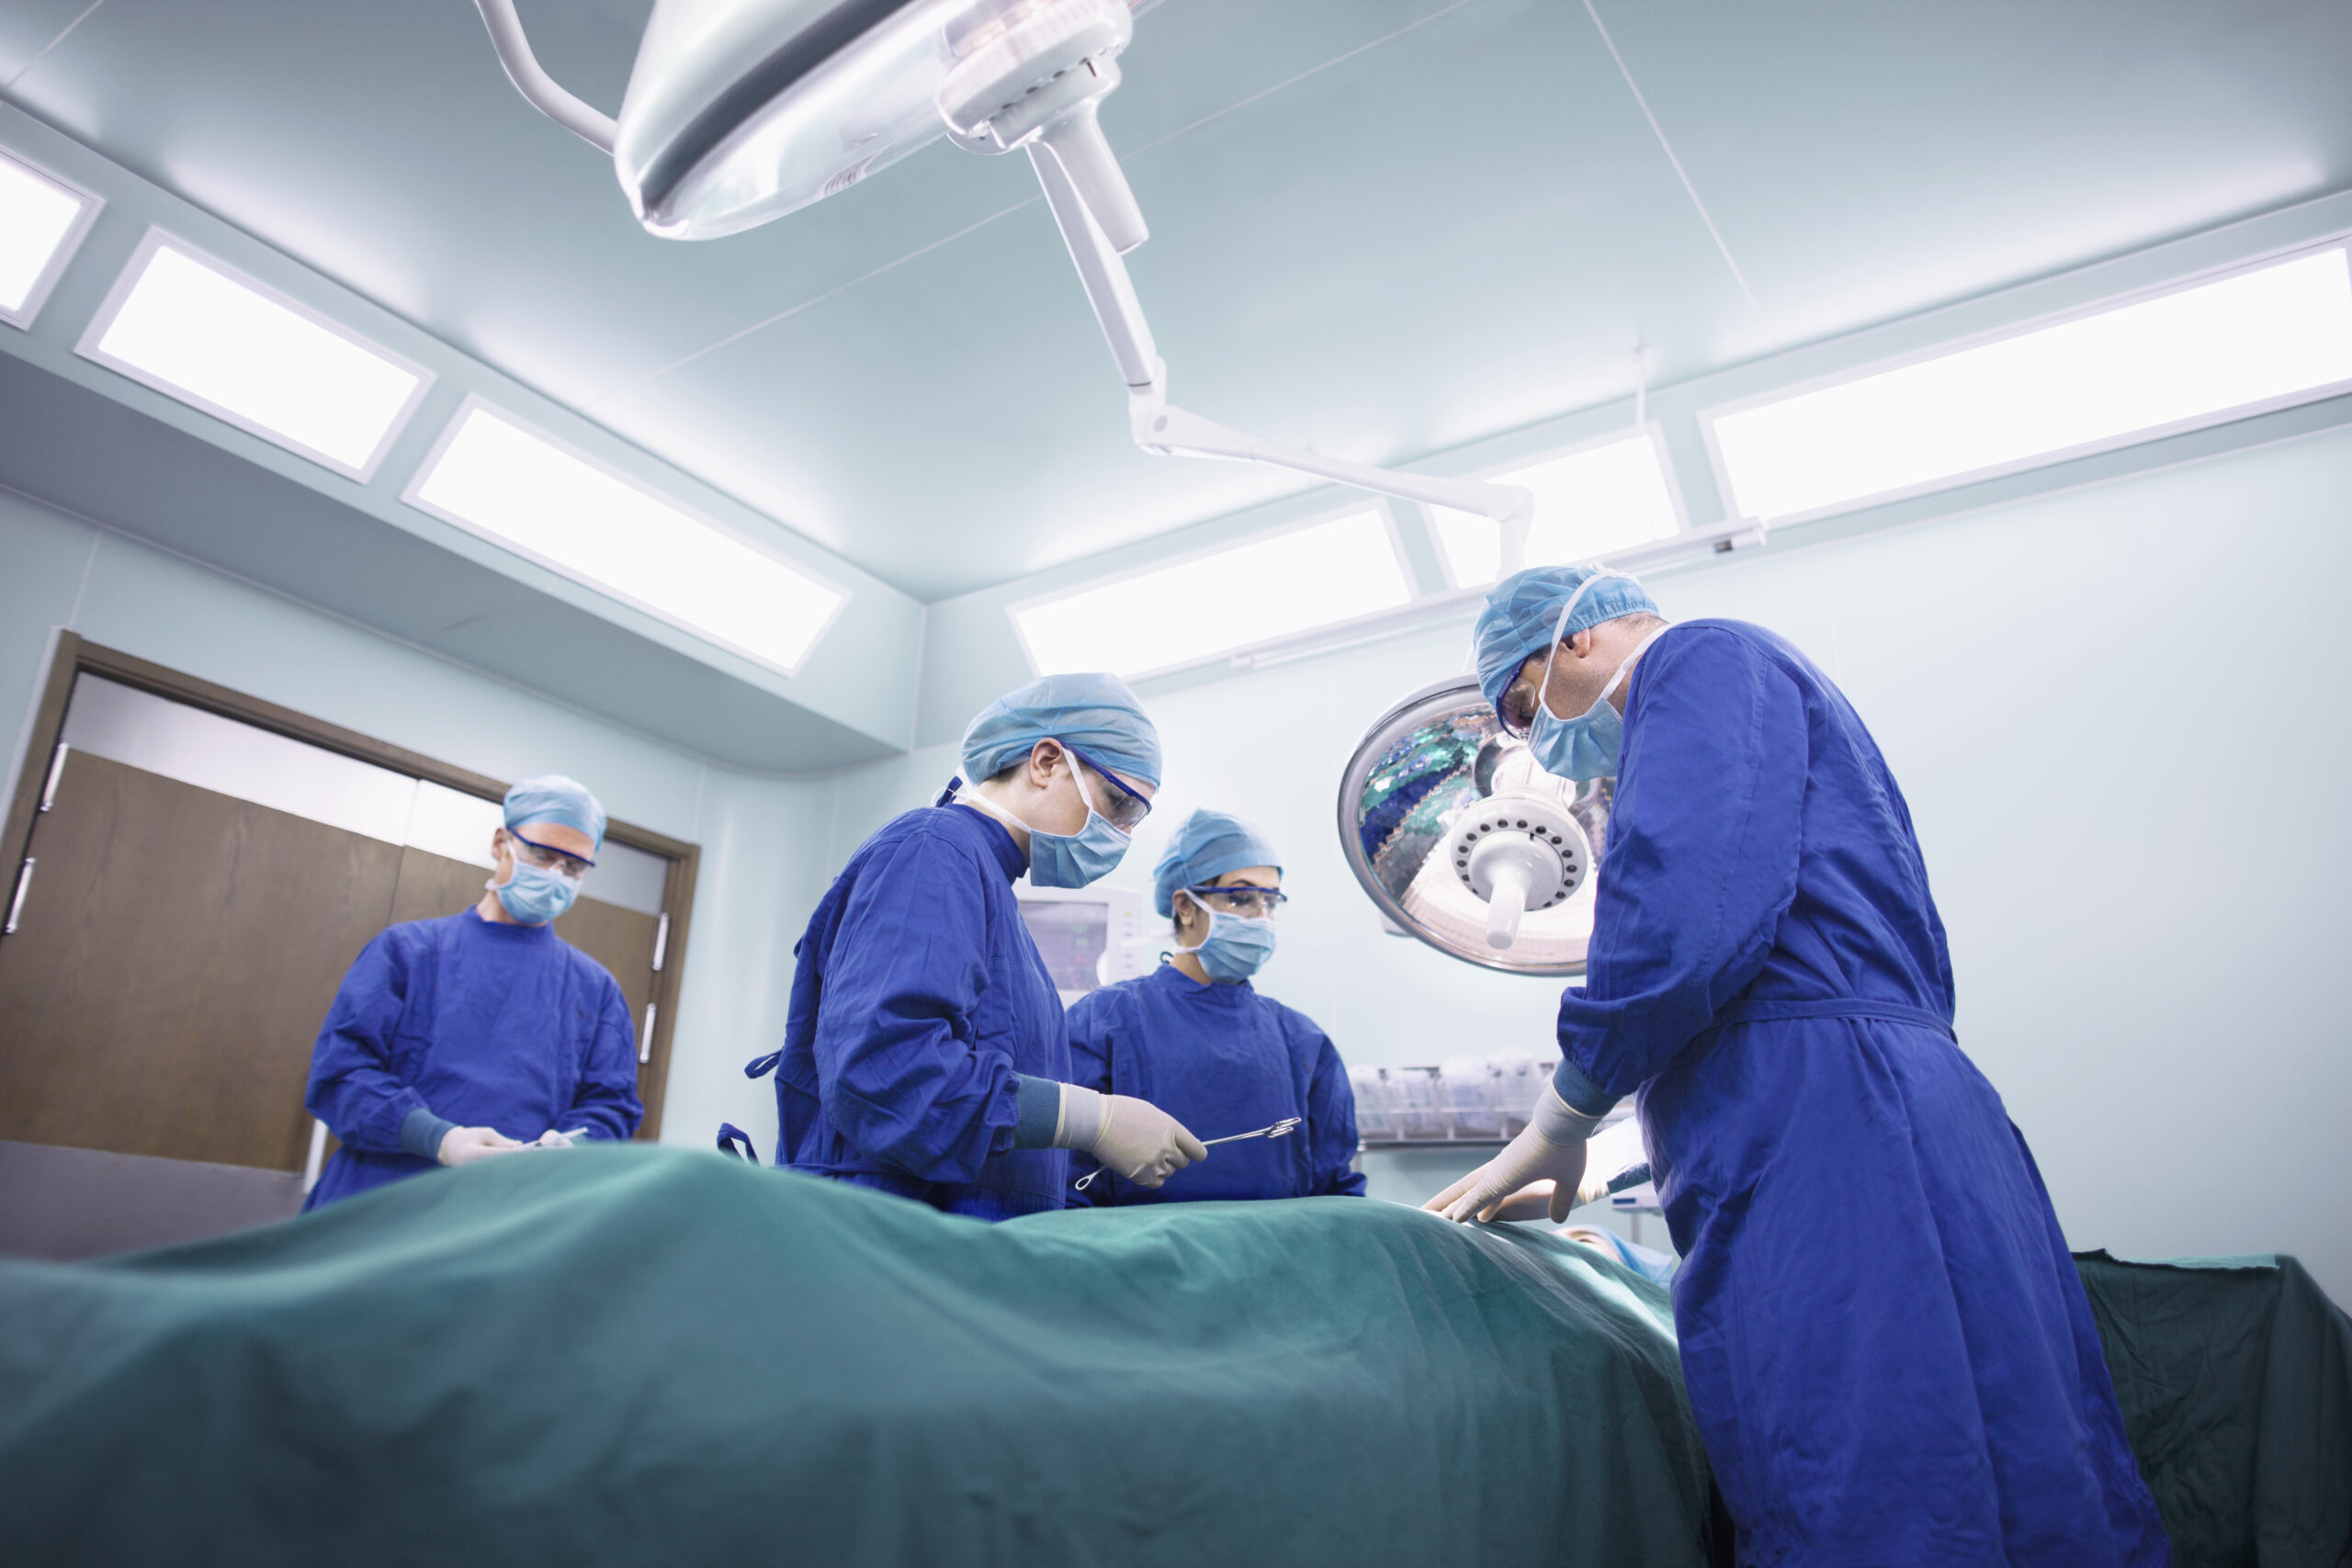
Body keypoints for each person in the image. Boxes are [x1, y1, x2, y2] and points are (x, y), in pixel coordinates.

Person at [1426, 567, 2166, 1567]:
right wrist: (1611, 1162)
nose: (1544, 742)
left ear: (1575, 642)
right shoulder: (1762, 697)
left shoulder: (1700, 657)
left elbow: (1687, 925)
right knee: (2022, 1449)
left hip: (1834, 1121)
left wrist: (1560, 1113)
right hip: (1882, 1105)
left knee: (1869, 1459)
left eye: (1524, 708)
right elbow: (1780, 975)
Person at [749, 673, 1207, 1221]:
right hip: (887, 1250)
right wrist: (1091, 1118)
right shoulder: (932, 851)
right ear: (1045, 763)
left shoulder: (987, 886)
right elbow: (888, 1072)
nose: (1123, 835)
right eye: (1120, 805)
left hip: (959, 1258)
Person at [302, 775, 642, 1209]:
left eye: (573, 867)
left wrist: (576, 1148)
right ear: (501, 842)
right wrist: (439, 1139)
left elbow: (612, 1105)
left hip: (508, 1214)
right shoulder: (407, 953)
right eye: (542, 855)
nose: (556, 875)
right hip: (380, 1202)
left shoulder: (595, 990)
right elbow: (341, 1074)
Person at [1065, 810, 1365, 1205]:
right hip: (1136, 1260)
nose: (1261, 918)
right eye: (1240, 898)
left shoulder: (1304, 1041)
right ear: (1185, 907)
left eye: (1270, 902)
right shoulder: (1102, 1023)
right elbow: (1066, 1182)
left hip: (1276, 1260)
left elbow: (1337, 1195)